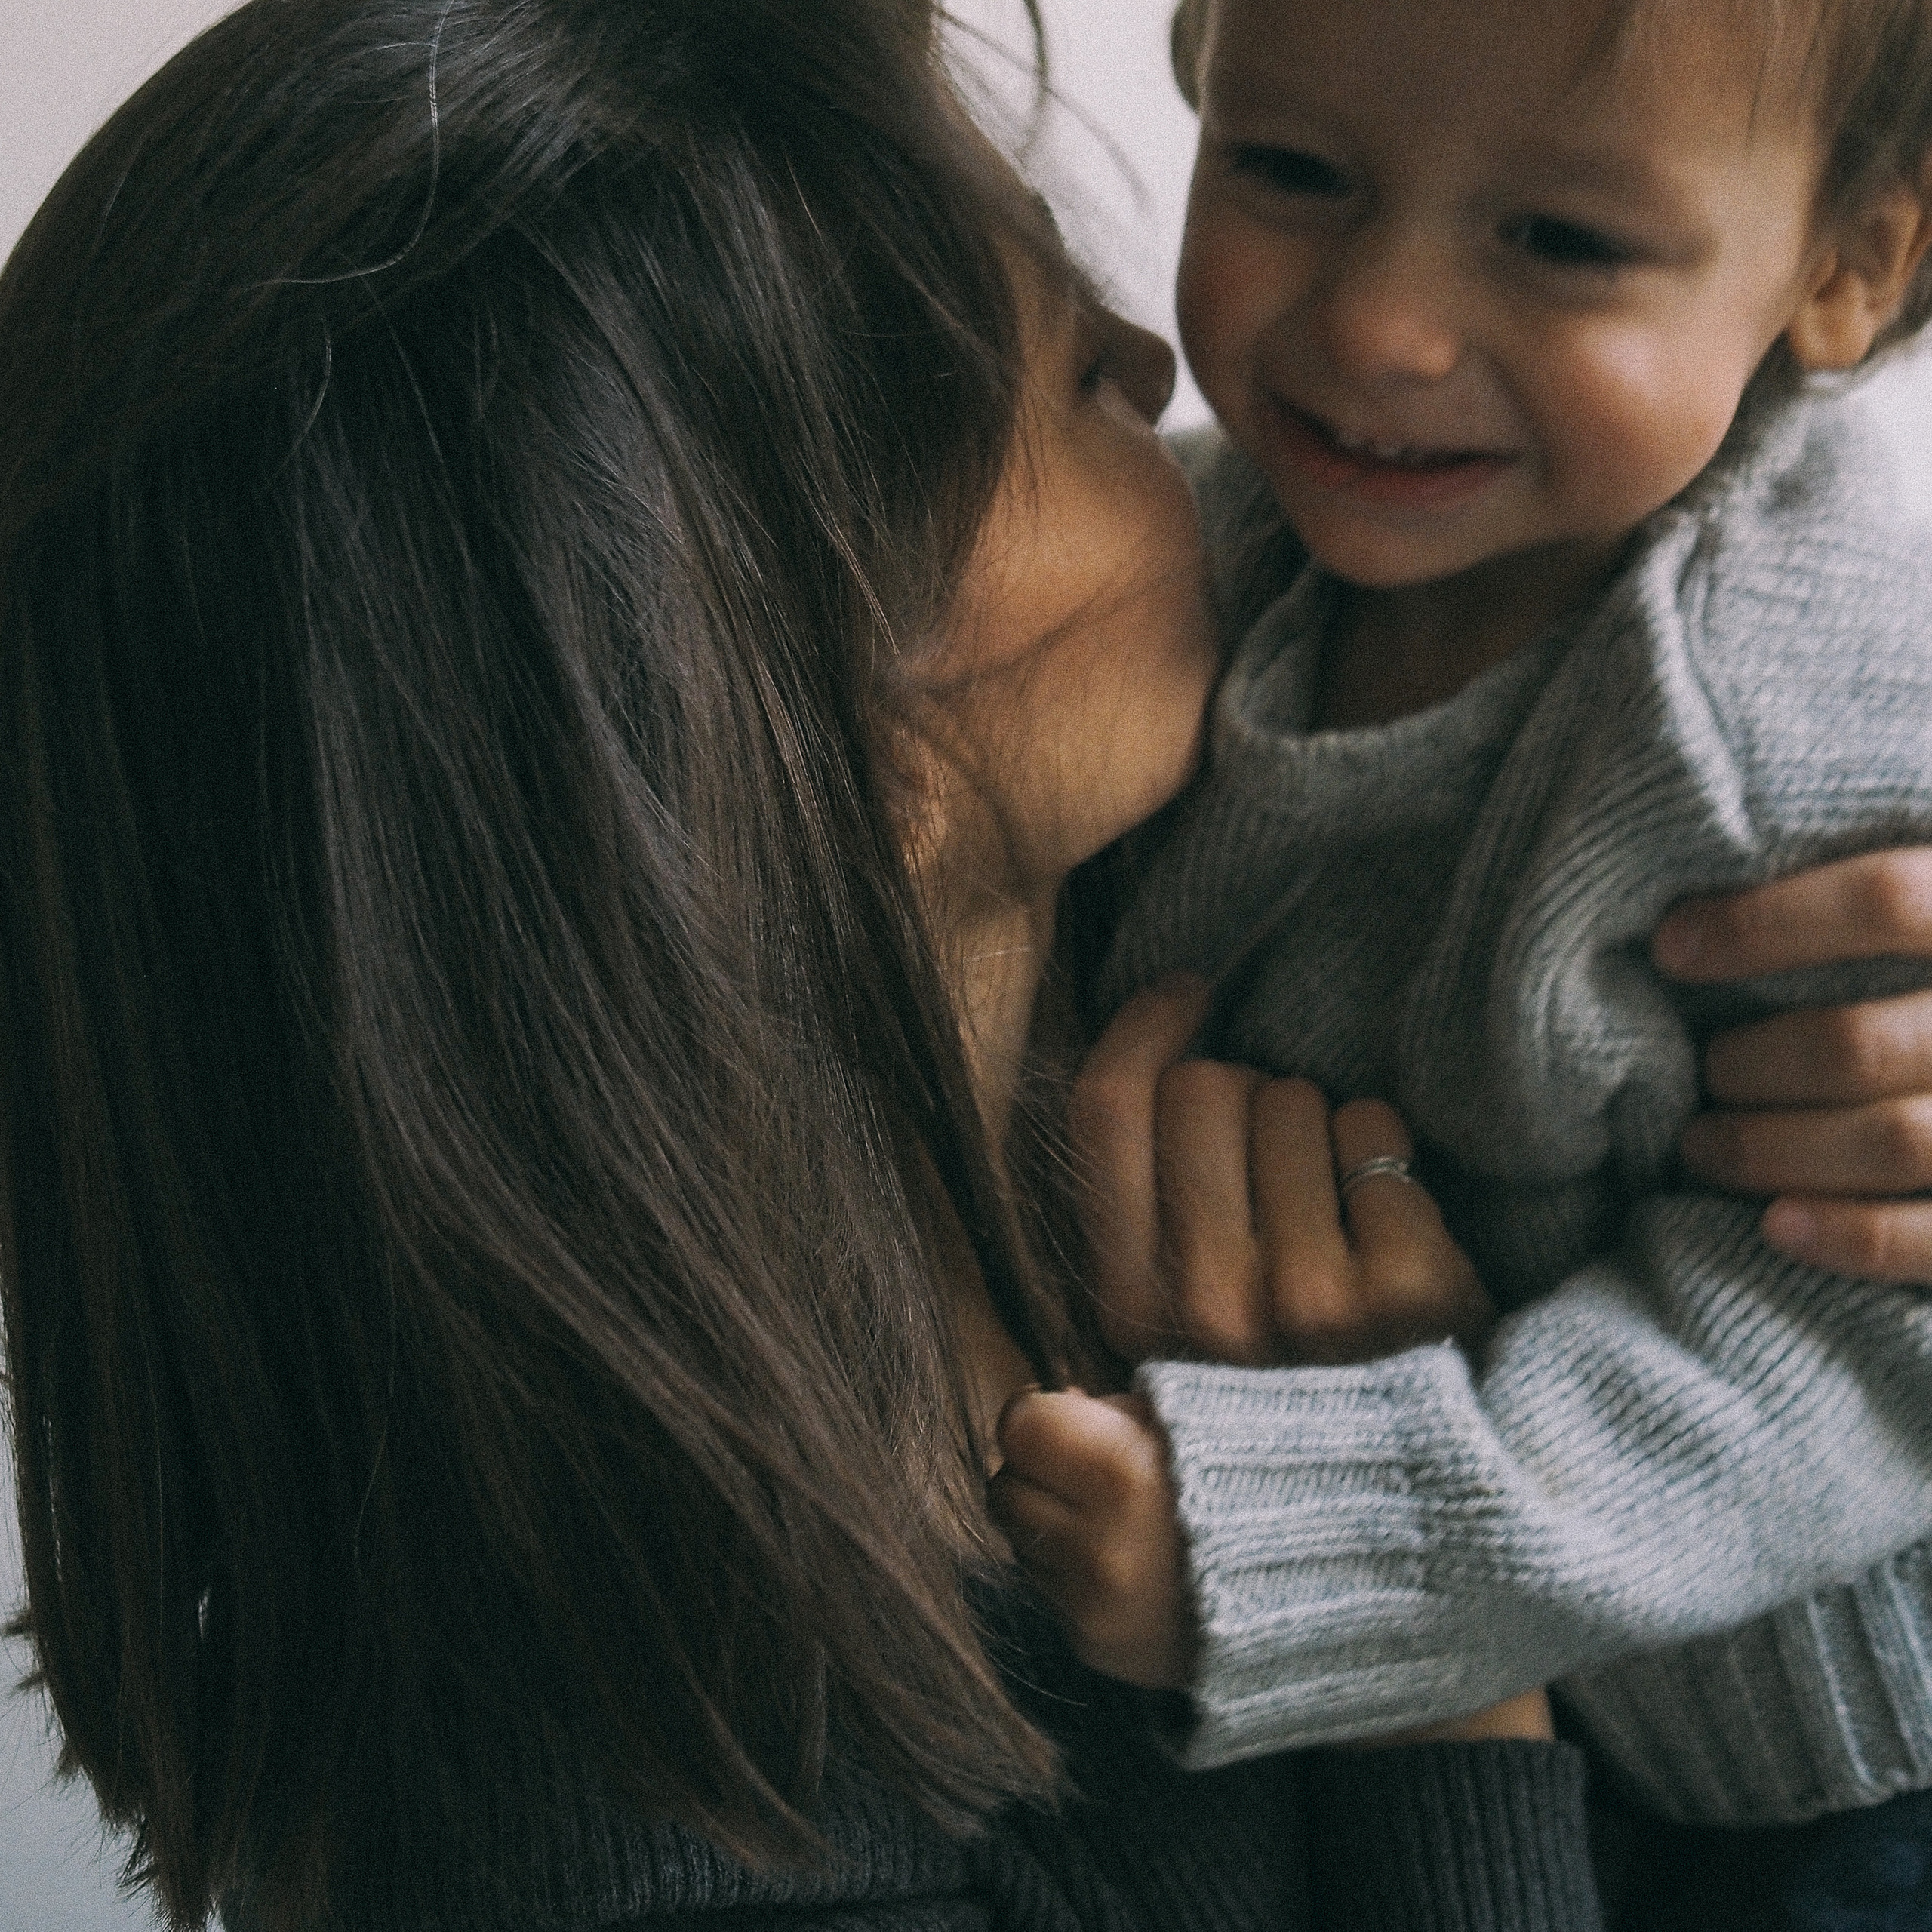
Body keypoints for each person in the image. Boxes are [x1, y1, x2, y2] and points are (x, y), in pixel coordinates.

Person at [1, 2, 1928, 1930]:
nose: (1154, 354)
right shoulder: (662, 1830)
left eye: (1557, 236)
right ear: (790, 736)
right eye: (1012, 351)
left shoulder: (1299, 879)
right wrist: (1439, 1695)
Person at [991, 0, 1932, 1924]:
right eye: (1291, 171)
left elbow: (1849, 1340)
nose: (1374, 328)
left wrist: (1328, 1541)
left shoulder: (1790, 705)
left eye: (1560, 242)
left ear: (1842, 269)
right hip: (1485, 1737)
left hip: (1798, 1798)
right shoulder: (1198, 539)